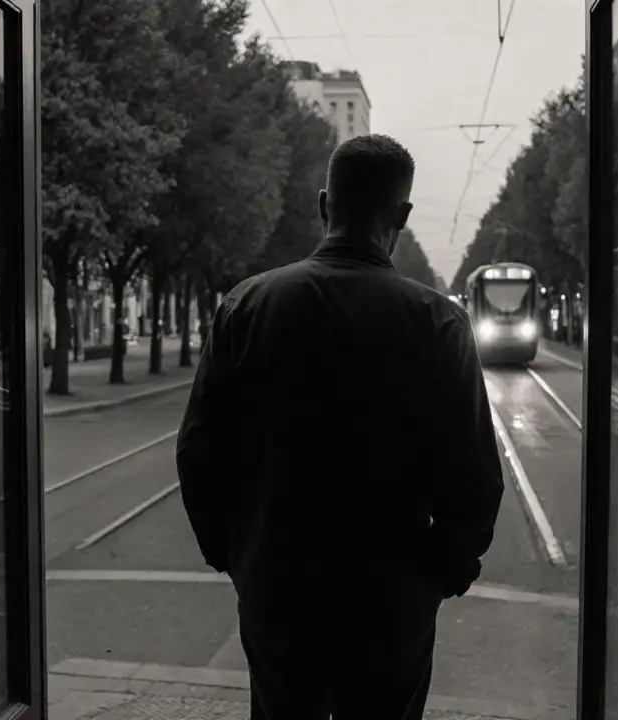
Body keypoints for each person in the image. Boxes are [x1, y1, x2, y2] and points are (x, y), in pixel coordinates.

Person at [175, 134, 504, 719]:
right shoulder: (439, 322)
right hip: (390, 597)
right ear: (401, 216)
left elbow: (199, 452)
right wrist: (439, 576)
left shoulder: (245, 306)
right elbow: (476, 477)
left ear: (324, 204)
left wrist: (236, 555)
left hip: (278, 588)